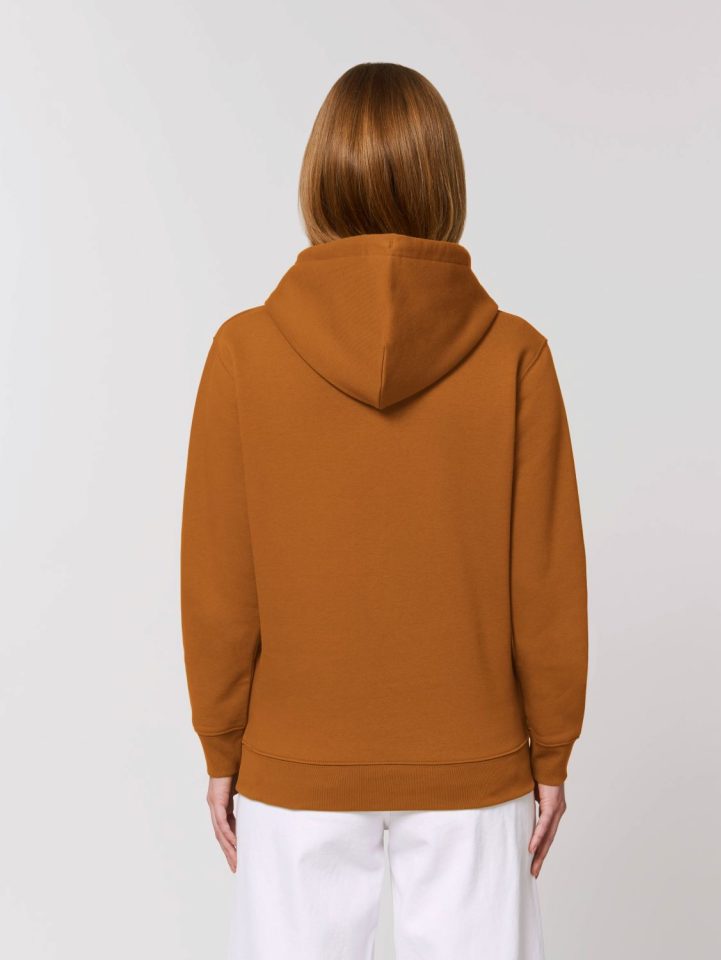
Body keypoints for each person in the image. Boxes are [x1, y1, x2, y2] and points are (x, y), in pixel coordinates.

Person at [180, 61, 588, 960]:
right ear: (445, 181)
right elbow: (545, 578)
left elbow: (220, 583)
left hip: (296, 766)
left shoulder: (244, 353)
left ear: (318, 179)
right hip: (475, 766)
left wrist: (223, 747)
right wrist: (551, 753)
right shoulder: (515, 356)